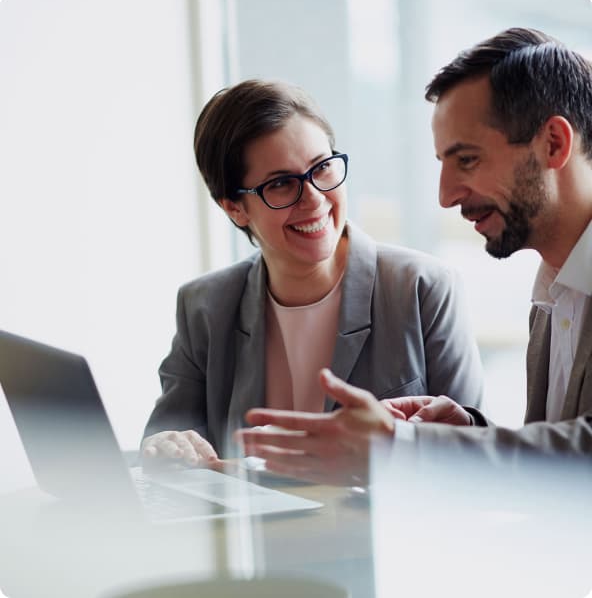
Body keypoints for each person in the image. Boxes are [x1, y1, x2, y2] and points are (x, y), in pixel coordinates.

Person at [238, 27, 592, 484]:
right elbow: (561, 470)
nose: (445, 196)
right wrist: (465, 433)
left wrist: (405, 449)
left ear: (554, 145)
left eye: (466, 160)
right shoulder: (557, 291)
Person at [141, 79, 483, 465]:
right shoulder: (204, 305)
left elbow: (471, 456)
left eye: (321, 168)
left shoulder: (423, 288)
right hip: (253, 525)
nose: (315, 199)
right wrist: (167, 447)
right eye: (282, 184)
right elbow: (167, 436)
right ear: (234, 208)